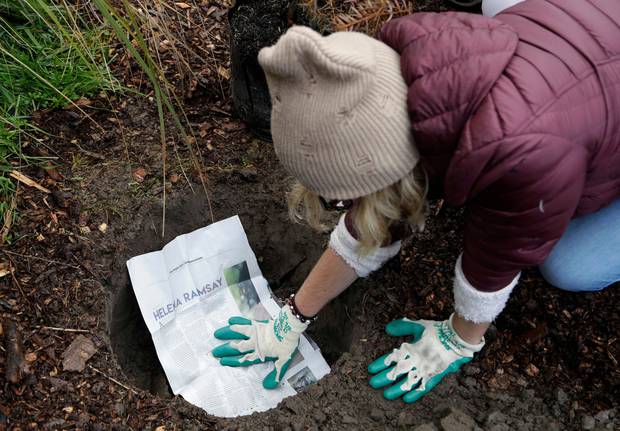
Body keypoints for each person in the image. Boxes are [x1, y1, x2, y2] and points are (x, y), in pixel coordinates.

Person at [212, 0, 620, 402]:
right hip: (589, 36)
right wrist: (295, 316)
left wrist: (459, 338)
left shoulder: (522, 159)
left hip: (565, 119)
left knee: (569, 267)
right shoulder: (401, 58)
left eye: (343, 200)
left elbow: (498, 256)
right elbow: (386, 200)